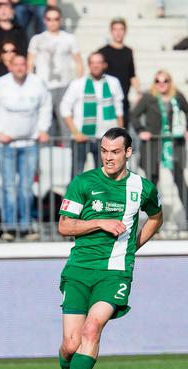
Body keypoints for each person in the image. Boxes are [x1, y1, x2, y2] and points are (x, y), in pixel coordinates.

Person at [46, 127, 163, 369]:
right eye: (104, 151)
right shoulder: (83, 182)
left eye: (114, 152)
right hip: (79, 270)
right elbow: (64, 226)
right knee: (71, 345)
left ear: (128, 153)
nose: (108, 158)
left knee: (92, 328)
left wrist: (134, 246)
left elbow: (157, 217)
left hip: (114, 272)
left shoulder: (142, 188)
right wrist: (100, 222)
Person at [0, 53, 51, 241]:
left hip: (29, 143)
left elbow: (46, 106)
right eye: (16, 65)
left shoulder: (37, 83)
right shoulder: (0, 84)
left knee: (26, 187)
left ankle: (26, 225)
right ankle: (10, 226)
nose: (20, 68)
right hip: (6, 144)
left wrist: (42, 129)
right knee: (9, 187)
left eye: (23, 64)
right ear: (10, 66)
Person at [131, 70, 188, 225]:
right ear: (154, 82)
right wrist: (141, 131)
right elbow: (134, 115)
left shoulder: (177, 96)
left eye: (165, 80)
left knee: (180, 181)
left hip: (173, 145)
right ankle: (151, 221)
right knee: (151, 182)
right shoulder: (148, 97)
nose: (161, 84)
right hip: (153, 145)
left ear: (170, 82)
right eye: (158, 81)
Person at [60, 52, 124, 177]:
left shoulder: (113, 82)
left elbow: (119, 109)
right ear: (88, 65)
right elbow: (64, 108)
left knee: (106, 178)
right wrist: (75, 132)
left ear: (104, 65)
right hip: (81, 138)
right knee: (77, 177)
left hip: (106, 139)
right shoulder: (77, 84)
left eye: (99, 63)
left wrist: (120, 134)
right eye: (93, 63)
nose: (96, 66)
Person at [27, 5, 83, 138]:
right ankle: (46, 156)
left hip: (64, 85)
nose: (53, 22)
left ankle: (67, 154)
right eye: (49, 19)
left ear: (61, 20)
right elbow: (30, 63)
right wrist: (31, 84)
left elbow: (79, 62)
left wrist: (77, 84)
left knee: (66, 124)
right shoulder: (37, 39)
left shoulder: (69, 38)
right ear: (45, 20)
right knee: (44, 125)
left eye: (56, 19)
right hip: (43, 86)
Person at [97, 17, 141, 127]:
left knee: (122, 136)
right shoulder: (102, 52)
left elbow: (132, 74)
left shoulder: (128, 51)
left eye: (121, 29)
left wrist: (138, 92)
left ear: (125, 31)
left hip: (123, 100)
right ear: (111, 31)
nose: (118, 33)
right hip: (107, 99)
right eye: (115, 29)